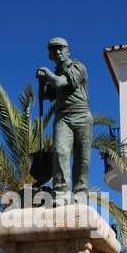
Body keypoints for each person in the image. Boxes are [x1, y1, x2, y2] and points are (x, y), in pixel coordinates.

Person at [36, 37, 93, 206]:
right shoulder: (55, 73)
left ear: (68, 51)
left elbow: (61, 82)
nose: (58, 52)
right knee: (60, 152)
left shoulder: (77, 66)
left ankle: (80, 192)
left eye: (61, 49)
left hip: (82, 116)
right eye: (54, 51)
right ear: (50, 56)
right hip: (63, 118)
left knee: (82, 158)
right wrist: (42, 82)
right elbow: (43, 96)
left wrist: (47, 73)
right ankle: (61, 192)